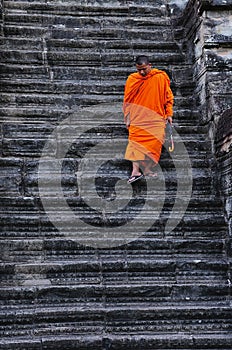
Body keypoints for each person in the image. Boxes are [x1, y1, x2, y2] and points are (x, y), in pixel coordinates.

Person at [123, 55, 174, 183]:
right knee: (135, 144)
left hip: (156, 117)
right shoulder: (132, 79)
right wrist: (127, 118)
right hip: (137, 117)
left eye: (144, 69)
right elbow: (127, 100)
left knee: (155, 144)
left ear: (150, 65)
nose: (141, 72)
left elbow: (168, 97)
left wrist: (169, 114)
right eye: (139, 69)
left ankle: (147, 169)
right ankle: (135, 171)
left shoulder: (160, 77)